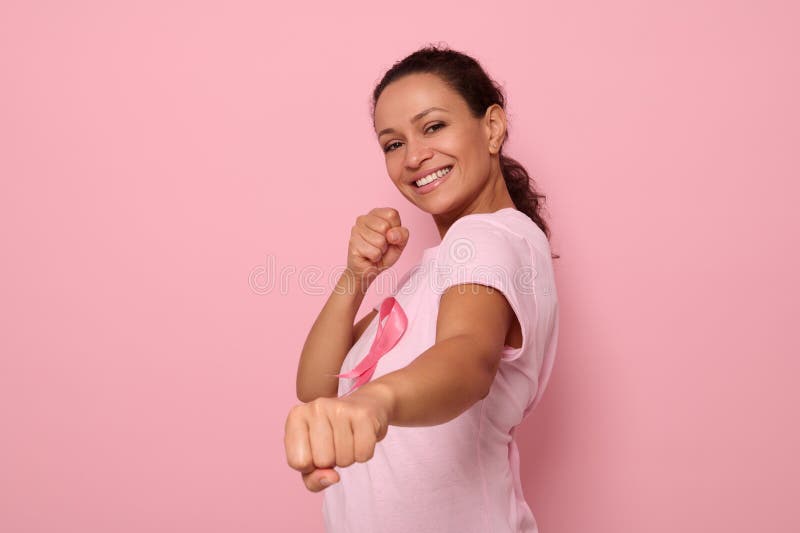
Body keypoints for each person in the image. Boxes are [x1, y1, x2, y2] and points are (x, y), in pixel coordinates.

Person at [285, 44, 560, 533]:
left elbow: (467, 358)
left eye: (433, 126)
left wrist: (377, 403)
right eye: (393, 144)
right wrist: (356, 275)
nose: (414, 156)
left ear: (492, 127)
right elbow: (318, 388)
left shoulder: (488, 236)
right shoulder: (434, 274)